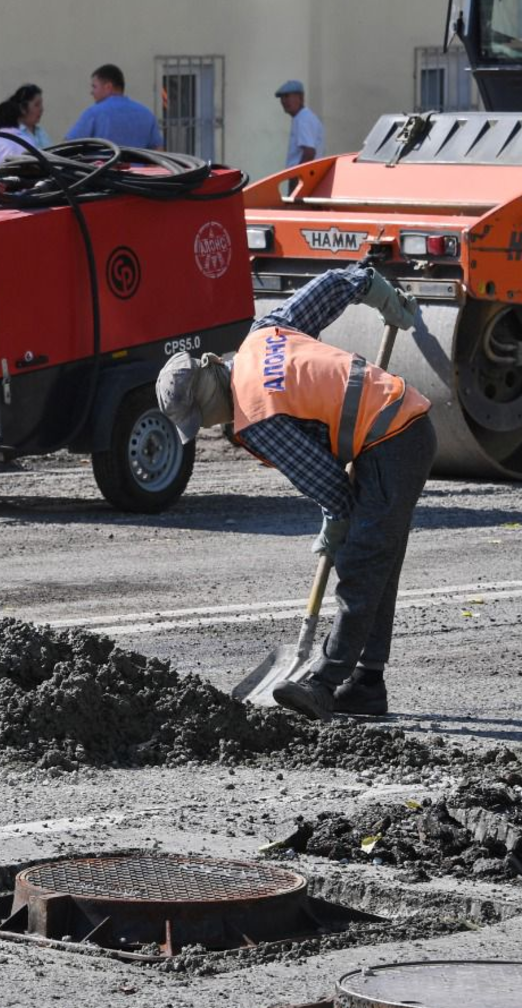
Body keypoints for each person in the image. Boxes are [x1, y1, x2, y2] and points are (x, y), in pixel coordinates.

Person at [154, 255, 433, 721]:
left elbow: (328, 486)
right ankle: (366, 682)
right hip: (398, 425)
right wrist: (379, 293)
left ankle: (324, 682)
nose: (211, 427)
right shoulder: (264, 334)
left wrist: (336, 522)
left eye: (203, 419)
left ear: (209, 396)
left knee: (363, 561)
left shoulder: (256, 416)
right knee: (377, 557)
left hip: (391, 438)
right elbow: (334, 283)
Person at [64, 64, 163, 150]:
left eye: (94, 87)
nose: (91, 92)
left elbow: (68, 146)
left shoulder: (94, 113)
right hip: (137, 171)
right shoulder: (147, 114)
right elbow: (158, 151)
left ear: (108, 87)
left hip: (102, 171)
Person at [275, 80, 324, 168]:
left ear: (300, 98)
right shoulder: (302, 117)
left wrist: (297, 178)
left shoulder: (303, 119)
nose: (283, 101)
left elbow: (309, 152)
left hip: (305, 177)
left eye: (287, 96)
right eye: (281, 98)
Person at [10, 83, 51, 148]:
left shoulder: (41, 132)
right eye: (37, 105)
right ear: (23, 108)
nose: (41, 109)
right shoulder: (14, 133)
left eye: (41, 105)